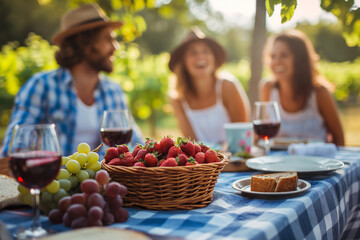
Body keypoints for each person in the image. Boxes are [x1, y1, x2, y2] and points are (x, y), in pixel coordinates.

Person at [0, 3, 143, 157]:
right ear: (85, 42)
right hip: (54, 179)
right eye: (108, 39)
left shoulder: (114, 91)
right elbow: (13, 151)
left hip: (105, 180)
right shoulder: (42, 86)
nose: (115, 47)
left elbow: (135, 145)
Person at [260, 29, 344, 146]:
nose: (276, 62)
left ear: (300, 59)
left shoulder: (319, 92)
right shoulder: (268, 88)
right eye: (273, 56)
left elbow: (339, 139)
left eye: (284, 55)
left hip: (316, 161)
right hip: (278, 162)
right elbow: (260, 138)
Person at [168, 27, 251, 145]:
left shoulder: (227, 86)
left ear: (213, 58)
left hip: (234, 159)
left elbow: (242, 137)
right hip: (204, 163)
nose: (200, 57)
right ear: (183, 62)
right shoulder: (178, 98)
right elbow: (191, 144)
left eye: (205, 51)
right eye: (193, 53)